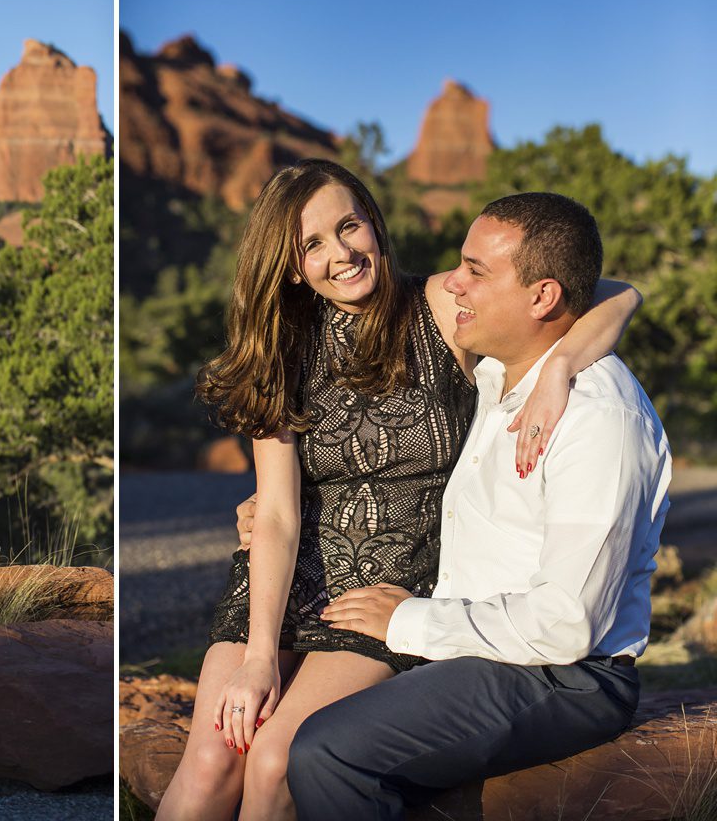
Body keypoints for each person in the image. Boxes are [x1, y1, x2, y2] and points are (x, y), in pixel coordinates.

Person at [154, 162, 641, 821]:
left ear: (374, 225)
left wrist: (561, 366)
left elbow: (611, 292)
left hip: (390, 587)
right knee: (213, 755)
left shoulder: (442, 304)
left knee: (274, 761)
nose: (342, 252)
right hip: (285, 575)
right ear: (291, 266)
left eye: (349, 225)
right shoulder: (278, 347)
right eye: (313, 244)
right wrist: (259, 658)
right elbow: (273, 512)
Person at [280, 192, 670, 819]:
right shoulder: (497, 375)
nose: (453, 284)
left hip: (564, 674)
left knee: (326, 751)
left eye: (476, 271)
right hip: (484, 650)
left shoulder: (598, 419)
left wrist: (408, 622)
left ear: (543, 298)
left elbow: (567, 623)